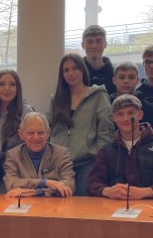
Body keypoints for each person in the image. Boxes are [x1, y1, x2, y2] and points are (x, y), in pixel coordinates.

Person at [88, 94, 153, 200]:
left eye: (130, 113)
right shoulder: (106, 151)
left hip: (152, 205)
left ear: (140, 115)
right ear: (113, 118)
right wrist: (107, 191)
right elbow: (93, 183)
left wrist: (146, 192)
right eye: (120, 114)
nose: (126, 119)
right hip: (115, 205)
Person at [47, 53, 114, 196]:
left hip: (87, 164)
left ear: (83, 70)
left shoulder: (98, 95)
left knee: (84, 204)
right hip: (59, 164)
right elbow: (47, 129)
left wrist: (99, 157)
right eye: (66, 70)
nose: (71, 73)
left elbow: (105, 131)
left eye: (75, 68)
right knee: (58, 204)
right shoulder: (56, 99)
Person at [3, 112, 75, 198]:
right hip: (24, 204)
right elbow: (11, 184)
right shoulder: (13, 155)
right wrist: (45, 183)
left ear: (48, 133)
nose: (36, 137)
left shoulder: (62, 154)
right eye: (30, 133)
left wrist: (36, 192)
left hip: (54, 204)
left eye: (41, 133)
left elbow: (69, 185)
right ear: (21, 134)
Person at [82, 24, 115, 94]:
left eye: (98, 41)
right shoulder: (77, 72)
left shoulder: (114, 74)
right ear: (83, 45)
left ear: (105, 44)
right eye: (90, 42)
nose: (94, 46)